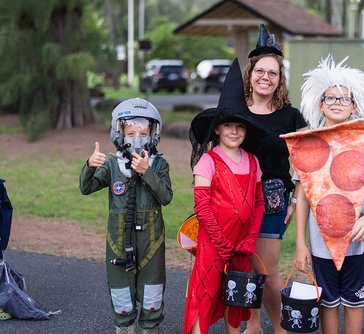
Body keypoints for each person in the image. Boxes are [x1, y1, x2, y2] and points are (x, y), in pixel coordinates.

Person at [294, 55, 364, 334]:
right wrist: (300, 242)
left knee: (355, 305)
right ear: (320, 104)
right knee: (328, 304)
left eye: (344, 99)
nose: (336, 103)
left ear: (354, 105)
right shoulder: (308, 144)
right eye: (330, 98)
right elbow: (302, 197)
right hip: (321, 244)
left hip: (359, 243)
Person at [183, 58, 265, 334]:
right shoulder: (208, 161)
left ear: (246, 131)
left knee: (237, 292)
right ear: (217, 129)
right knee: (204, 290)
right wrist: (219, 240)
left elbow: (257, 202)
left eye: (239, 127)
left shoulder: (253, 162)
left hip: (241, 242)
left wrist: (251, 238)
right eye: (228, 125)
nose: (234, 131)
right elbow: (201, 205)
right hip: (213, 240)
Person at [80, 98, 173, 334]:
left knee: (152, 292)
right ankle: (124, 329)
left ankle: (151, 329)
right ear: (119, 133)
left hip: (151, 240)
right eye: (131, 132)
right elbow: (86, 188)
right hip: (118, 239)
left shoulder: (159, 164)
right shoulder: (112, 165)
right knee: (121, 293)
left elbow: (166, 197)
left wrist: (147, 172)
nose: (137, 138)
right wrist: (90, 166)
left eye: (143, 132)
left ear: (153, 134)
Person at [242, 24, 308, 334]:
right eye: (260, 71)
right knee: (244, 267)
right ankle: (252, 325)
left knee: (266, 271)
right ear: (250, 73)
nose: (265, 77)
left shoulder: (291, 117)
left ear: (280, 79)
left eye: (273, 73)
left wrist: (295, 199)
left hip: (273, 198)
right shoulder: (235, 113)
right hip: (237, 198)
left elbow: (309, 162)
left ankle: (281, 327)